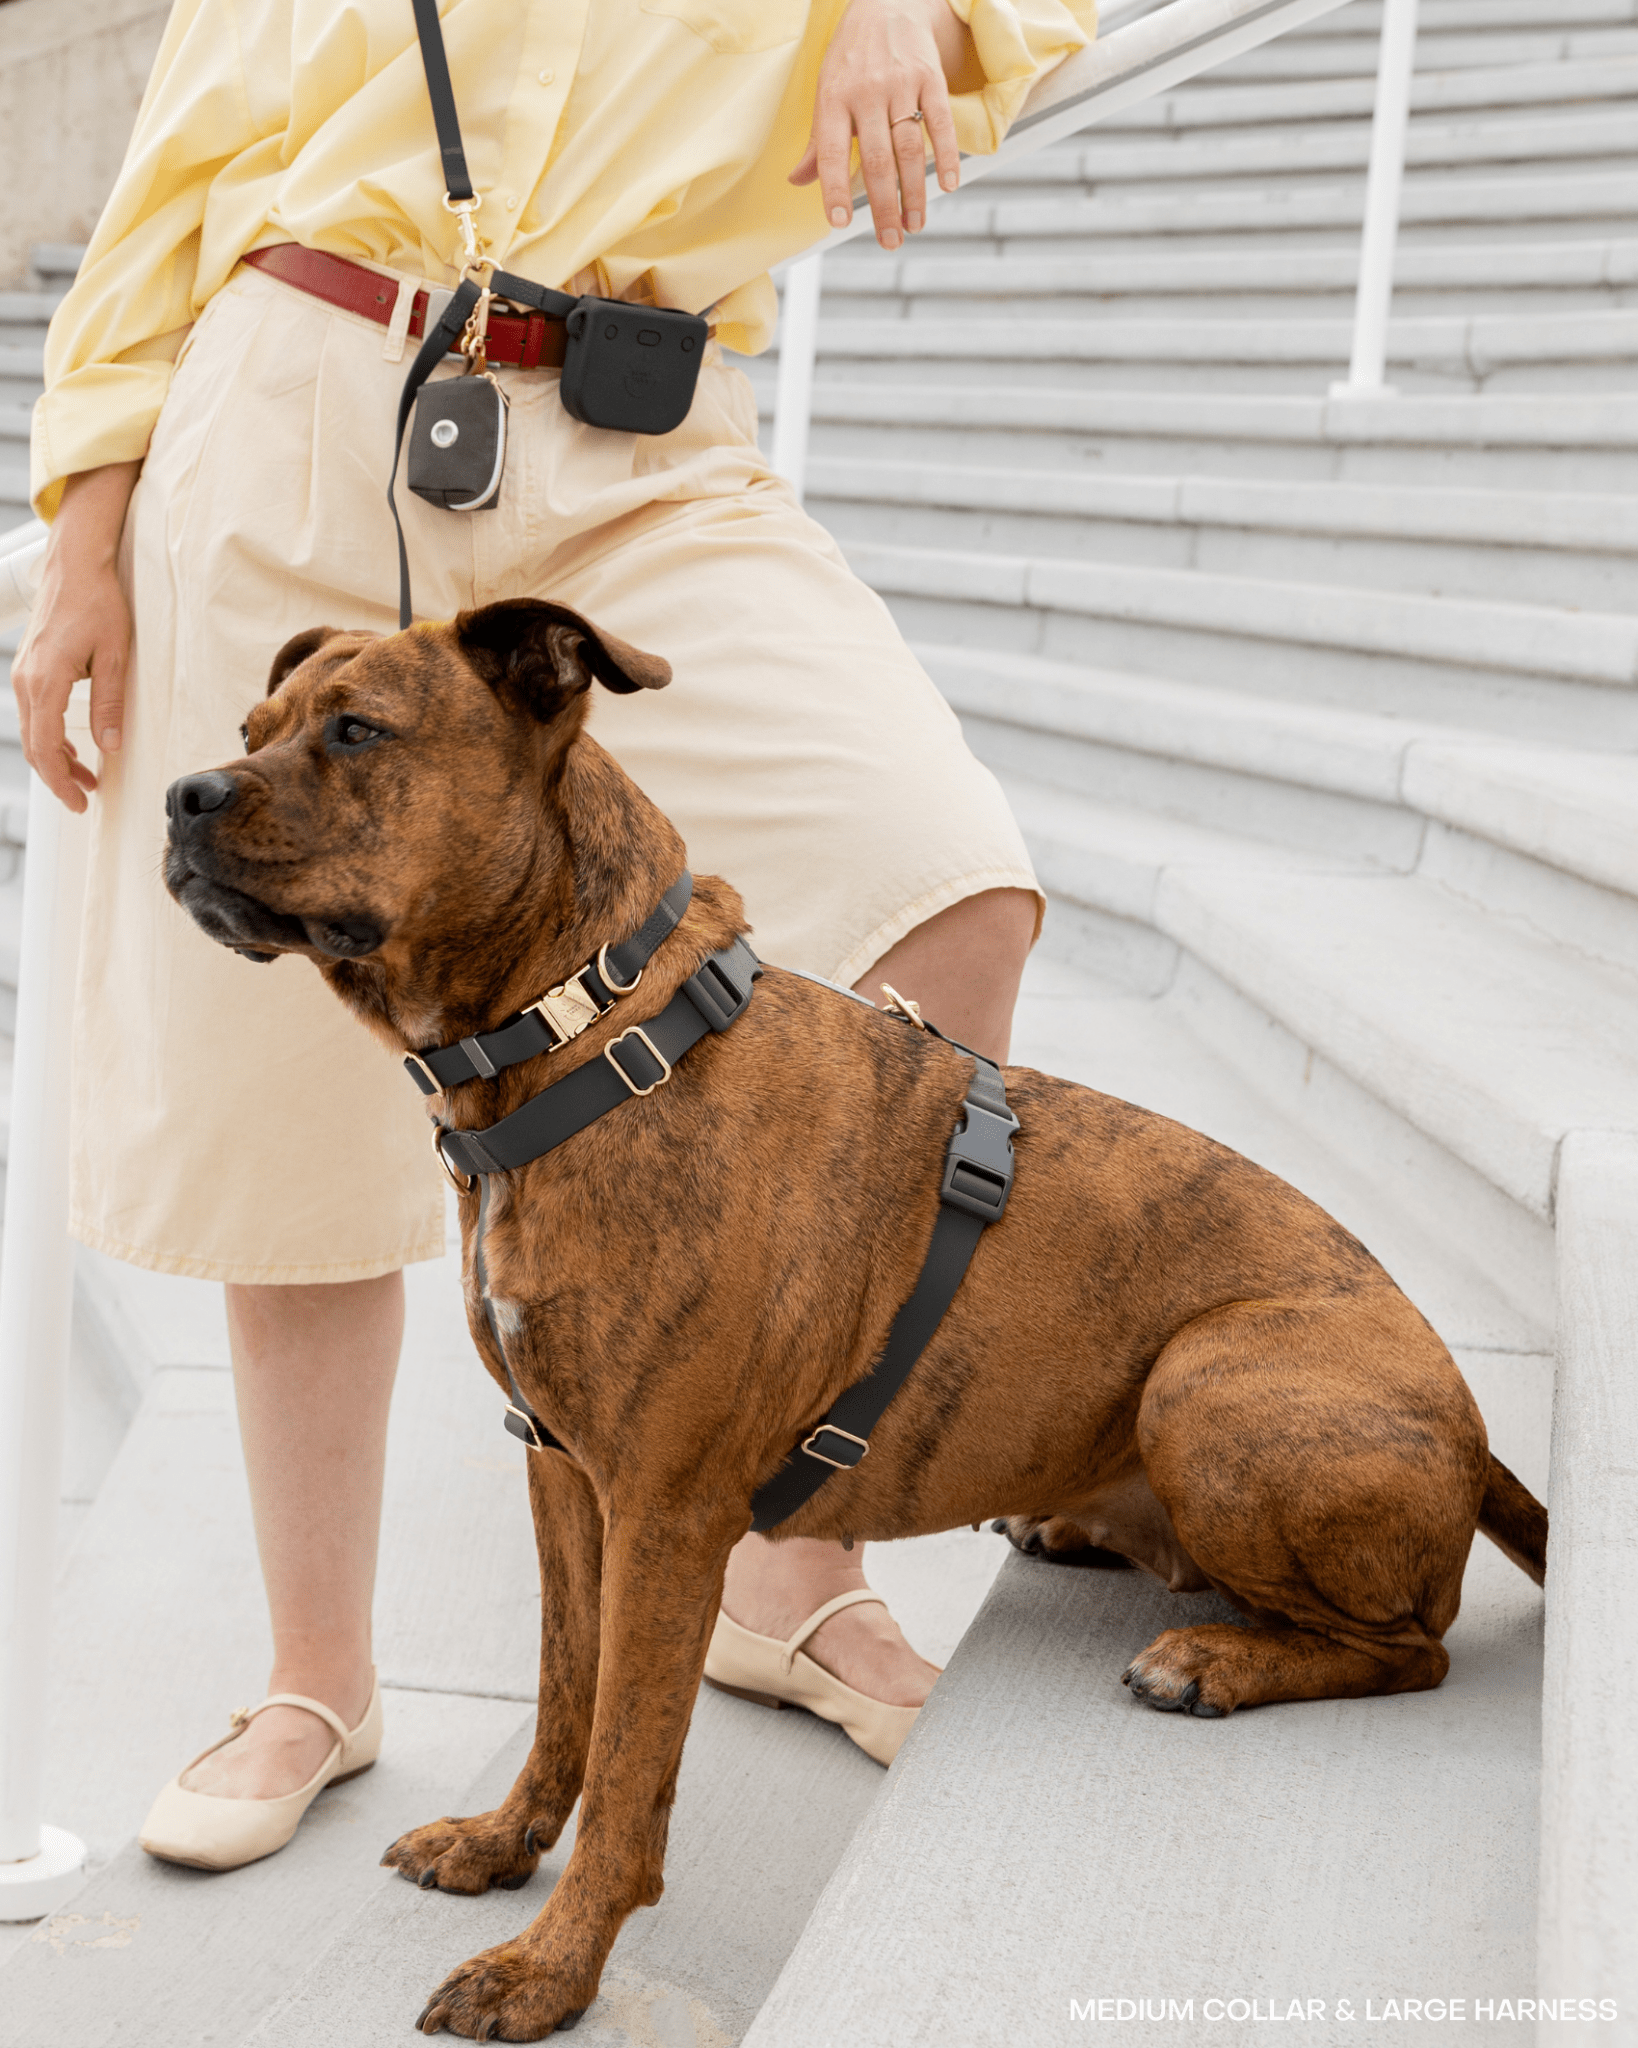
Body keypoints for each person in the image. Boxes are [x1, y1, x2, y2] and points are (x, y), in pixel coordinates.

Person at [20, 0, 1092, 1868]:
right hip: (291, 398)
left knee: (938, 872)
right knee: (279, 1081)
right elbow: (175, 174)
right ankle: (317, 1680)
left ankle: (787, 1548)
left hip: (633, 431)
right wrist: (87, 546)